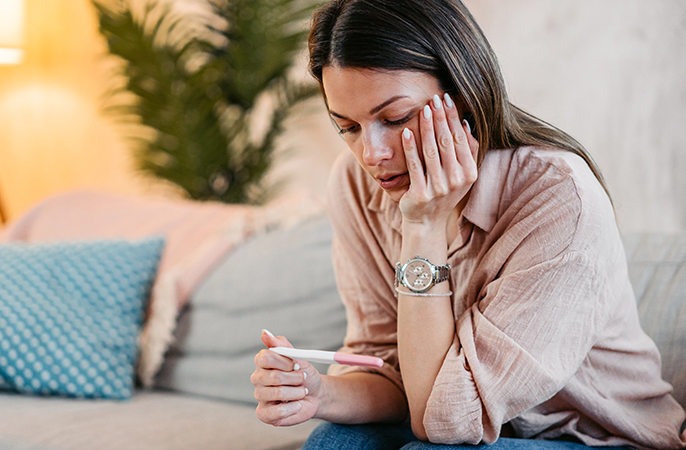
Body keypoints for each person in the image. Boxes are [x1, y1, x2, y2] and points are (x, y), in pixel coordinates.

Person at [250, 0, 686, 448]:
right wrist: (321, 393)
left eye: (395, 118)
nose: (371, 154)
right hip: (453, 425)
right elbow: (390, 369)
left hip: (591, 438)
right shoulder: (356, 186)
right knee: (333, 441)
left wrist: (423, 227)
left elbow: (445, 422)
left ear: (462, 95)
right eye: (349, 127)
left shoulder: (559, 199)